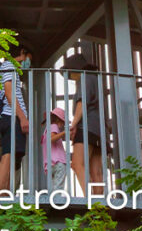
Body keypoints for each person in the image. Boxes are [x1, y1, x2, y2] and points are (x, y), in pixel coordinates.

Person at [64, 52, 106, 198]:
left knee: (76, 164)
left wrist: (73, 124)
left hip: (86, 126)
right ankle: (99, 200)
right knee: (96, 170)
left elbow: (82, 103)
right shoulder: (95, 79)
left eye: (69, 72)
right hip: (99, 129)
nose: (68, 76)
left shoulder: (84, 78)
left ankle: (87, 198)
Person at [0, 43, 32, 192]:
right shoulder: (9, 65)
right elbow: (9, 93)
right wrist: (22, 117)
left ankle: (4, 194)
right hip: (11, 117)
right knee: (8, 155)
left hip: (11, 117)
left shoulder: (10, 69)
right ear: (22, 52)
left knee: (12, 158)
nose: (28, 62)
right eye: (28, 58)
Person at [41, 107, 68, 191]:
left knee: (53, 188)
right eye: (63, 122)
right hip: (58, 162)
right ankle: (57, 202)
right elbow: (51, 139)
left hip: (49, 164)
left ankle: (53, 201)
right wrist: (64, 132)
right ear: (58, 119)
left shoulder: (46, 130)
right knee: (58, 188)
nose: (63, 125)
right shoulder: (54, 126)